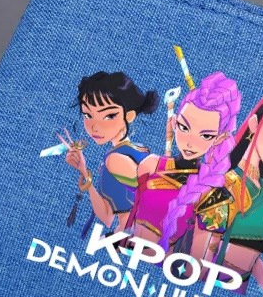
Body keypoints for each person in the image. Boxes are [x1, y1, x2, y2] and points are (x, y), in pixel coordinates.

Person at [188, 91, 263, 297]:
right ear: (254, 123)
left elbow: (254, 256)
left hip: (236, 293)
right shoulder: (225, 182)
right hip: (209, 291)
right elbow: (199, 254)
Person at [124, 72, 241, 250]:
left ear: (219, 139)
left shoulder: (214, 193)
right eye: (184, 127)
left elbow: (199, 256)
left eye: (206, 135)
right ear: (174, 123)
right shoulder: (151, 164)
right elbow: (127, 216)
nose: (190, 142)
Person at [61, 71, 158, 230]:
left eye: (109, 116)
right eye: (87, 115)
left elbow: (155, 205)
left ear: (129, 115)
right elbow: (107, 217)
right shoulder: (136, 150)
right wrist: (84, 172)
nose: (94, 126)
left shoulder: (116, 159)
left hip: (134, 236)